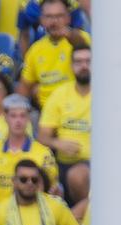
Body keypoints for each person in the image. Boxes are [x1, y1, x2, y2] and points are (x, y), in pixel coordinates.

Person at [0, 93, 57, 210]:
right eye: (13, 116)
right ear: (5, 117)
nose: (18, 121)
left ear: (28, 119)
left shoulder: (43, 153)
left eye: (22, 116)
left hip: (32, 216)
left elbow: (50, 191)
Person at [37, 43, 91, 204]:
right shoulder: (60, 94)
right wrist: (57, 143)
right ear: (71, 65)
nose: (84, 66)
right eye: (79, 62)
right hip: (62, 162)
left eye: (88, 61)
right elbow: (42, 136)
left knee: (77, 175)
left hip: (96, 163)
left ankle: (83, 219)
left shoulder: (107, 92)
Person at [17, 0, 89, 109]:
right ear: (41, 20)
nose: (54, 21)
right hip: (45, 111)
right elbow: (24, 88)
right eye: (49, 17)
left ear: (68, 18)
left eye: (59, 16)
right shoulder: (35, 49)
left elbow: (83, 47)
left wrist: (69, 34)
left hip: (77, 109)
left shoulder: (82, 38)